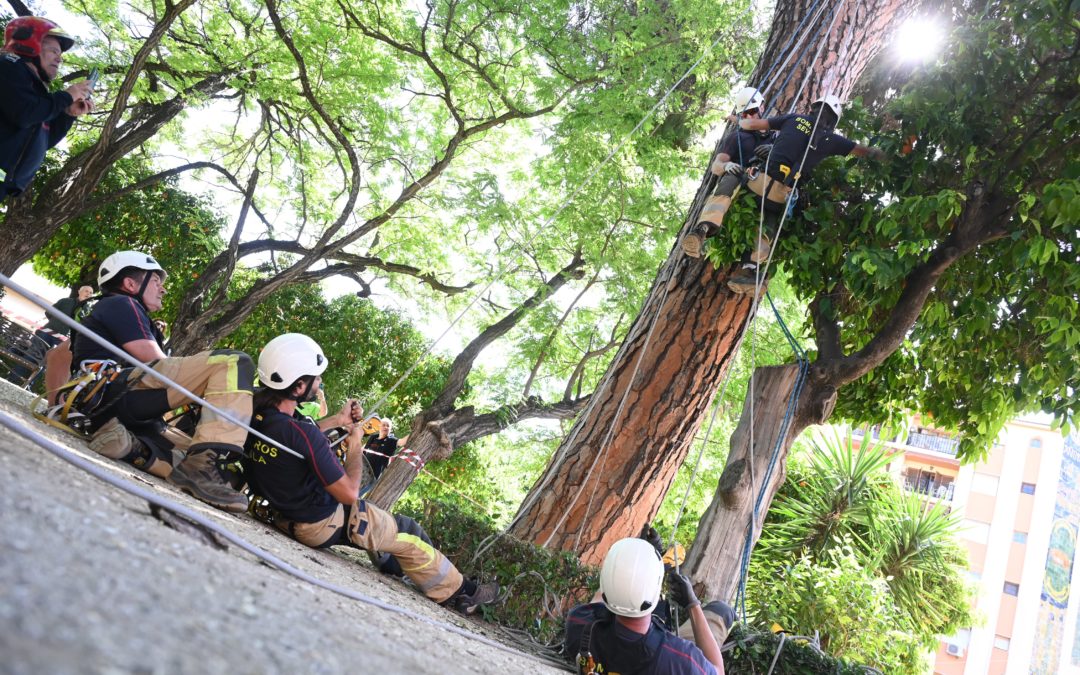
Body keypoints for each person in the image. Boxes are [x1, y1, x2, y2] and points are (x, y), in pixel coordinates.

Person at [242, 333, 500, 613]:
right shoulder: (301, 432)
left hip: (285, 513)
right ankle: (463, 593)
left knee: (390, 531)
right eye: (316, 378)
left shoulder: (258, 415)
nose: (319, 384)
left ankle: (396, 568)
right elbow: (350, 493)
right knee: (408, 532)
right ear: (299, 385)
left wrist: (339, 421)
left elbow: (296, 436)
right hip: (317, 523)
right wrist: (355, 445)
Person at [73, 250, 255, 513]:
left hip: (115, 408)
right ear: (130, 284)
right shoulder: (122, 304)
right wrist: (211, 387)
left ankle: (131, 447)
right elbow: (158, 367)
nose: (163, 289)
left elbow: (58, 355)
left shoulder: (109, 310)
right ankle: (200, 470)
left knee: (219, 471)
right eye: (156, 280)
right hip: (117, 392)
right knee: (234, 363)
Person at [722, 94, 886, 293]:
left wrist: (735, 119)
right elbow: (865, 151)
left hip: (758, 183)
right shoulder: (831, 140)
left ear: (813, 109)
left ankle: (710, 223)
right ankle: (751, 271)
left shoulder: (793, 119)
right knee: (769, 225)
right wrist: (890, 156)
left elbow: (751, 125)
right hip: (783, 195)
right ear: (833, 120)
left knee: (737, 180)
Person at [565, 537, 725, 674]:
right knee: (722, 611)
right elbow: (718, 671)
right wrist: (693, 605)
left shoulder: (578, 624)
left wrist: (634, 565)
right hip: (661, 655)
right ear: (655, 588)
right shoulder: (683, 660)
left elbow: (599, 600)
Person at [1, 16, 94, 197]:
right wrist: (68, 95)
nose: (59, 60)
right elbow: (25, 114)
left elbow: (43, 140)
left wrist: (68, 114)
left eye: (60, 55)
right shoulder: (7, 67)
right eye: (53, 51)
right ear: (30, 45)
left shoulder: (36, 93)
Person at [682, 86, 775, 259]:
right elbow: (716, 165)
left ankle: (752, 266)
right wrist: (726, 166)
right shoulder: (736, 137)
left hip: (765, 184)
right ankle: (702, 230)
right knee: (732, 176)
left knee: (774, 208)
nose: (749, 117)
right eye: (744, 114)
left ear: (762, 107)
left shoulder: (777, 136)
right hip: (741, 180)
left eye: (753, 111)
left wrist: (774, 151)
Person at [36, 284, 93, 348]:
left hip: (63, 341)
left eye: (91, 293)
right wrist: (56, 323)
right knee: (33, 354)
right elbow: (49, 312)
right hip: (47, 333)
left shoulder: (88, 312)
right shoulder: (65, 301)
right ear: (79, 292)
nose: (88, 294)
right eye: (86, 291)